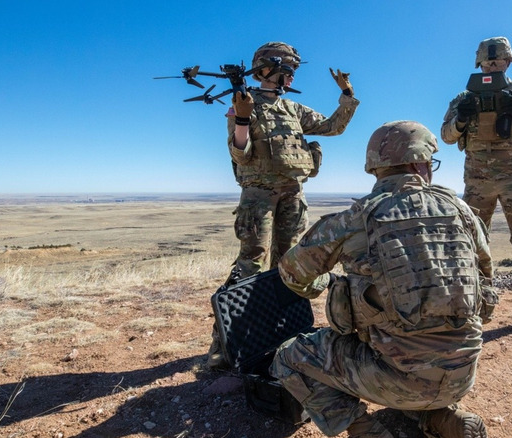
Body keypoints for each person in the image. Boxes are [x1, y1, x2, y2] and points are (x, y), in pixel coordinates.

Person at [270, 121, 497, 438]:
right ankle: (441, 418)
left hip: (395, 378)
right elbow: (486, 284)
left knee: (289, 356)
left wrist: (326, 287)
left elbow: (292, 273)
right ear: (419, 163)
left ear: (376, 166)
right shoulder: (461, 210)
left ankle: (365, 430)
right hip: (462, 375)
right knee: (416, 350)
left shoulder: (354, 219)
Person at [207, 41, 359, 369]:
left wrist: (347, 95)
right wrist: (244, 121)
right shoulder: (241, 104)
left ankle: (282, 332)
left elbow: (333, 127)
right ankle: (221, 344)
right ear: (269, 71)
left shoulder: (293, 110)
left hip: (293, 193)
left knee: (289, 265)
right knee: (250, 264)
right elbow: (239, 153)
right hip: (258, 194)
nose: (291, 78)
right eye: (288, 72)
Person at [441, 36, 512, 333]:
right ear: (479, 62)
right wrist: (461, 121)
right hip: (477, 181)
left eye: (498, 59)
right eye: (488, 60)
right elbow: (447, 136)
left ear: (508, 61)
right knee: (475, 246)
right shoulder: (464, 98)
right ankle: (479, 309)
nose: (492, 64)